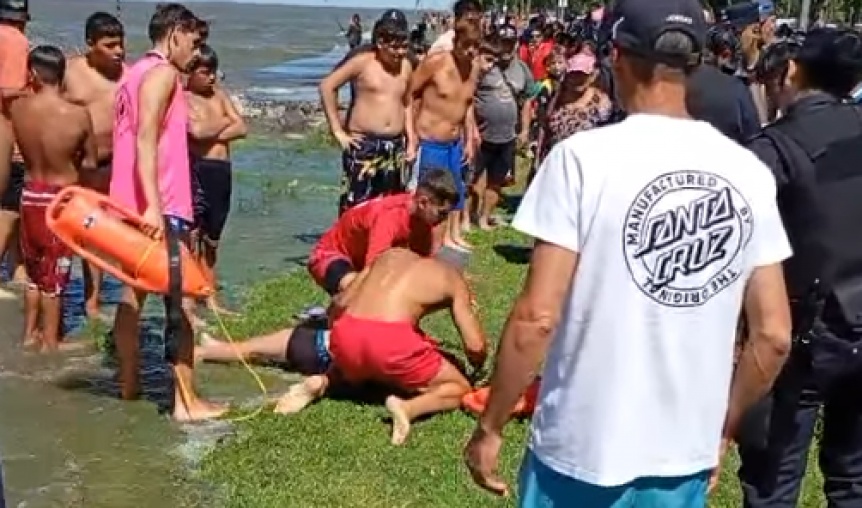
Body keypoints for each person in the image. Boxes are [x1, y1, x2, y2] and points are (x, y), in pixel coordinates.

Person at [464, 0, 793, 504]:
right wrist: (722, 429)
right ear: (696, 63)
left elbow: (537, 318)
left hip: (578, 449)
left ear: (615, 58)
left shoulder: (581, 160)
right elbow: (771, 335)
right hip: (681, 454)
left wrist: (490, 426)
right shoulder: (748, 172)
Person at [737, 29, 862, 508]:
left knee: (773, 478)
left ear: (790, 71)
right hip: (849, 325)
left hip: (797, 332)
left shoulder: (773, 148)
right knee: (853, 477)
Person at [109, 3, 224, 422]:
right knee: (183, 304)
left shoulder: (130, 75)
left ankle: (128, 384)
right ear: (175, 32)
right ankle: (186, 402)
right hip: (159, 205)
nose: (196, 54)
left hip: (126, 201)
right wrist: (156, 211)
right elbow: (144, 141)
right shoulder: (161, 74)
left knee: (131, 293)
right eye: (193, 42)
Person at [275, 248, 488, 446]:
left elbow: (340, 303)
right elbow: (475, 346)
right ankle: (408, 408)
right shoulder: (452, 277)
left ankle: (323, 382)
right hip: (390, 341)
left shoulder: (389, 256)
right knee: (458, 388)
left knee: (362, 368)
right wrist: (478, 363)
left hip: (347, 329)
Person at [10, 46, 98, 352]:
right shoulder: (77, 114)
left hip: (30, 193)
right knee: (56, 278)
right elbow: (90, 162)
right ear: (63, 75)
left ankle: (28, 336)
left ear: (33, 73)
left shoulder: (19, 109)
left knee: (34, 273)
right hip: (60, 202)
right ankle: (51, 342)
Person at [62, 11, 126, 319]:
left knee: (101, 234)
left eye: (121, 44)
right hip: (75, 165)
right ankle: (61, 295)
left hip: (114, 165)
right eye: (110, 45)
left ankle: (94, 300)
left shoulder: (128, 76)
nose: (119, 51)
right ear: (90, 43)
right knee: (72, 232)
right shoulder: (70, 72)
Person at [307, 168, 457, 296]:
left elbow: (422, 264)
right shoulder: (389, 217)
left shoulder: (424, 219)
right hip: (329, 257)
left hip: (358, 261)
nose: (444, 219)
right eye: (442, 213)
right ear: (423, 203)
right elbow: (374, 269)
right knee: (364, 292)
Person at [319, 15, 412, 215]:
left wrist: (412, 139)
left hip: (395, 146)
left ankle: (381, 245)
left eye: (404, 47)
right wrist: (337, 130)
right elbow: (327, 86)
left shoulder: (406, 66)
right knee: (356, 204)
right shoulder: (361, 62)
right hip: (364, 145)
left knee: (390, 205)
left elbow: (408, 103)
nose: (400, 53)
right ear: (380, 43)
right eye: (395, 48)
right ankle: (349, 245)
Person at [410, 19, 483, 250]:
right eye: (466, 45)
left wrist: (470, 137)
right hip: (431, 142)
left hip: (455, 142)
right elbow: (409, 95)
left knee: (455, 192)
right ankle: (426, 245)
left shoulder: (473, 68)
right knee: (430, 197)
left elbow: (467, 103)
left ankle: (450, 237)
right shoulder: (435, 63)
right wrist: (411, 135)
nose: (470, 51)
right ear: (454, 42)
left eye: (475, 46)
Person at [186, 44, 247, 314]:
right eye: (204, 72)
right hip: (199, 169)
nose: (211, 78)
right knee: (192, 236)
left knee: (212, 239)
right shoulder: (184, 99)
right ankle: (189, 295)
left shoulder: (219, 96)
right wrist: (225, 122)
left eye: (213, 72)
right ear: (190, 73)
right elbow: (196, 133)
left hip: (222, 171)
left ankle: (210, 296)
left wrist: (217, 127)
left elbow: (242, 127)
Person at [471, 26, 534, 231]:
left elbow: (526, 102)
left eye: (510, 43)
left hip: (507, 136)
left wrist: (525, 130)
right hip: (482, 134)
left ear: (516, 44)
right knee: (475, 177)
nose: (506, 48)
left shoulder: (523, 69)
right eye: (502, 42)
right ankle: (471, 213)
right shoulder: (485, 65)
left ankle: (485, 217)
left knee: (498, 180)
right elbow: (468, 96)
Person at [0, 0, 30, 285]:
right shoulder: (16, 40)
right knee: (9, 207)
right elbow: (10, 92)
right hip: (7, 138)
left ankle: (17, 270)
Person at [196, 326, 331, 377]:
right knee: (257, 349)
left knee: (253, 350)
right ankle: (219, 349)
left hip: (316, 348)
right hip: (321, 348)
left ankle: (203, 353)